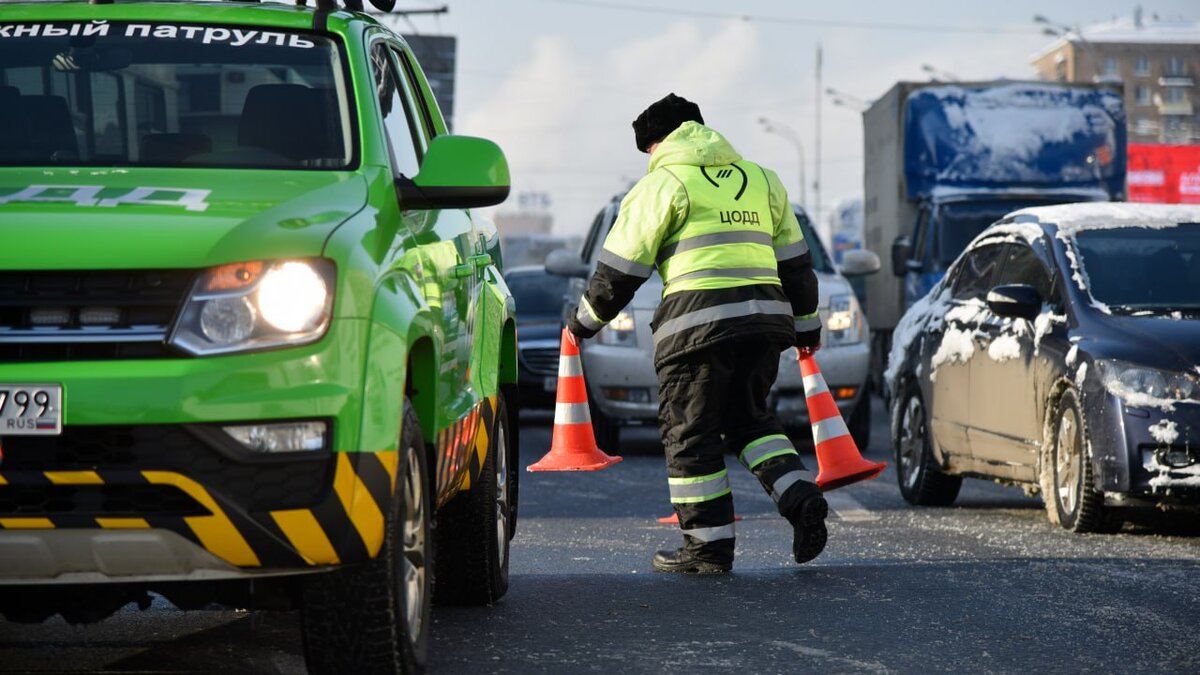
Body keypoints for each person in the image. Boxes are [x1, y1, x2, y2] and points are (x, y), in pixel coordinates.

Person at [566, 93, 825, 574]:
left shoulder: (663, 183)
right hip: (765, 325)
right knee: (753, 423)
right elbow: (797, 265)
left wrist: (582, 323)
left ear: (656, 143)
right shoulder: (761, 179)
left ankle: (707, 549)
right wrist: (807, 328)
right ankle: (801, 496)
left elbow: (620, 270)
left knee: (691, 436)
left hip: (697, 328)